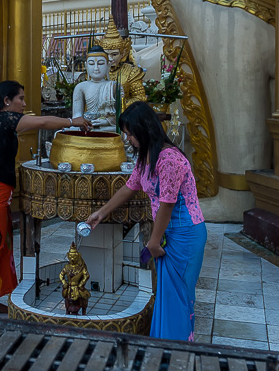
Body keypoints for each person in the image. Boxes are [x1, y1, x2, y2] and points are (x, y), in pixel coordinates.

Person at [85, 101, 206, 340]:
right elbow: (130, 187)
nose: (128, 139)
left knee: (178, 296)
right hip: (167, 234)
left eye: (130, 134)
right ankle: (166, 347)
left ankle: (178, 353)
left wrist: (153, 241)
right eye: (127, 134)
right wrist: (102, 212)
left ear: (145, 129)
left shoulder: (168, 158)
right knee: (167, 296)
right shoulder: (146, 156)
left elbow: (167, 203)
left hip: (185, 234)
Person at [0, 80, 92, 315]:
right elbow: (42, 122)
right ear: (7, 101)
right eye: (21, 99)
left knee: (1, 248)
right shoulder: (2, 119)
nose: (24, 104)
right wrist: (72, 121)